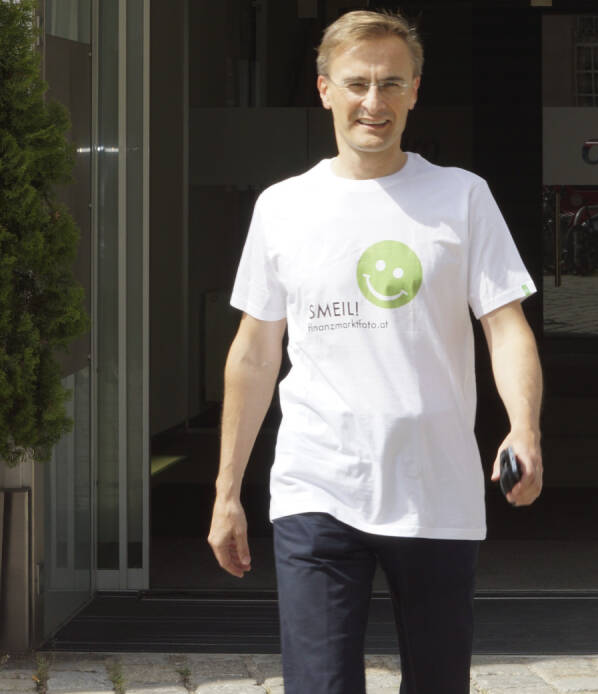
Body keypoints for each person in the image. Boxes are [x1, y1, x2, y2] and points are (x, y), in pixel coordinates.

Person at [206, 10, 543, 693]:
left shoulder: (462, 196)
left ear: (415, 91)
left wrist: (525, 428)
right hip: (317, 484)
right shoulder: (283, 206)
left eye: (391, 83)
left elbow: (505, 326)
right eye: (357, 83)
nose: (373, 102)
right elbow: (255, 353)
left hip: (436, 488)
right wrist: (226, 490)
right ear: (324, 89)